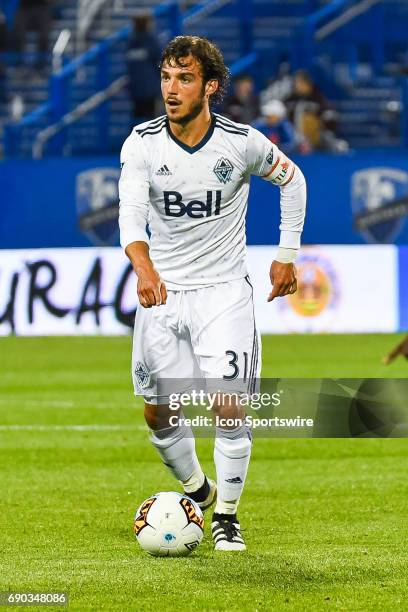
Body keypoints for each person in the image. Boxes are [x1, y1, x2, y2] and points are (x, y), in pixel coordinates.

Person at [118, 36, 306, 552]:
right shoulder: (142, 143)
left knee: (229, 403)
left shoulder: (241, 143)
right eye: (165, 77)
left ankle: (226, 515)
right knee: (158, 413)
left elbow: (294, 181)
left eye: (184, 79)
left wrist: (287, 255)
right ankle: (197, 489)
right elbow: (130, 215)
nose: (171, 90)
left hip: (223, 293)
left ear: (210, 86)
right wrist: (144, 266)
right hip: (162, 294)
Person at [127, 13, 162, 122]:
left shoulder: (131, 44)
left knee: (138, 120)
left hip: (135, 89)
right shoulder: (151, 42)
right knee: (152, 121)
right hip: (150, 90)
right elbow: (160, 64)